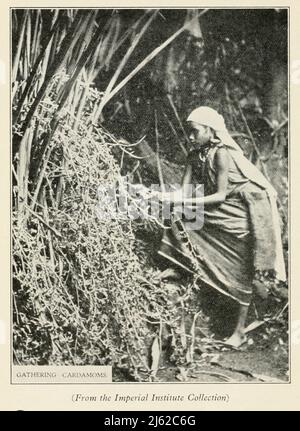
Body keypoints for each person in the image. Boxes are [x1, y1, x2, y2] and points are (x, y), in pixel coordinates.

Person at [156, 106, 286, 348]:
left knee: (240, 272)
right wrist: (164, 197)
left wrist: (183, 201)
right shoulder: (193, 155)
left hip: (240, 212)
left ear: (210, 130)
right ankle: (179, 262)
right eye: (189, 133)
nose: (191, 137)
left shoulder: (222, 153)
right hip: (219, 209)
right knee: (172, 212)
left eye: (195, 132)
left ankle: (240, 332)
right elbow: (183, 193)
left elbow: (221, 195)